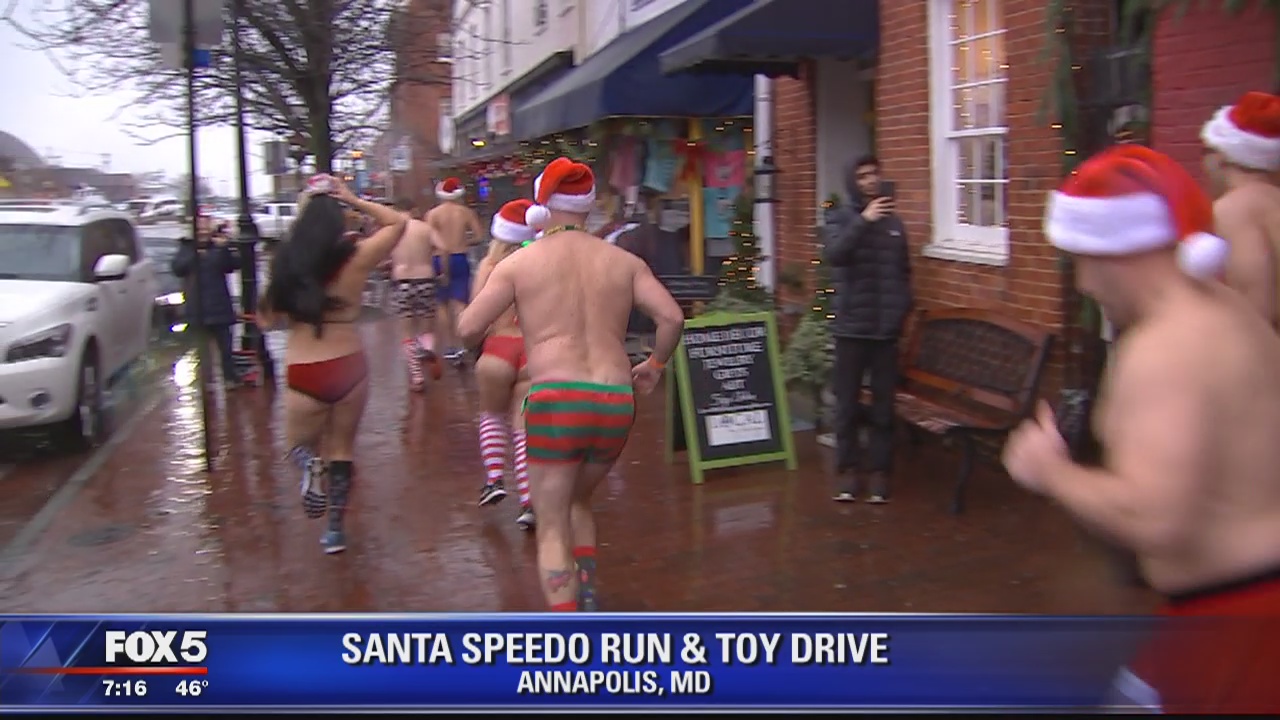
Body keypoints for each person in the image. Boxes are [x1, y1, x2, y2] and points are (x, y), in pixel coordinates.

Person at [1005, 145, 1280, 714]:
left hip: (1243, 626)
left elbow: (1155, 518)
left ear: (1118, 251)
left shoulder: (1163, 349)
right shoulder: (1230, 312)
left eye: (1082, 259)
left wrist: (1049, 471)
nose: (1082, 282)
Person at [457, 157, 685, 612]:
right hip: (615, 399)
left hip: (558, 400)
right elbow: (672, 317)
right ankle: (590, 600)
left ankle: (571, 638)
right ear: (586, 207)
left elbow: (467, 328)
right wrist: (655, 365)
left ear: (544, 207)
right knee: (579, 500)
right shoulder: (623, 261)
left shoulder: (521, 262)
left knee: (552, 521)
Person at [260, 175, 407, 555]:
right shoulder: (356, 257)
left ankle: (310, 466)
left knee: (296, 446)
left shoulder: (285, 262)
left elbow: (266, 317)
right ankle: (335, 531)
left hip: (304, 367)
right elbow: (398, 223)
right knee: (343, 447)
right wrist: (353, 198)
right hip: (348, 366)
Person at [823, 154, 912, 504]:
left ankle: (879, 473)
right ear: (852, 182)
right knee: (845, 406)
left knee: (883, 409)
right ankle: (847, 473)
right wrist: (863, 220)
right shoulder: (839, 218)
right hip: (851, 330)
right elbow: (835, 254)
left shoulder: (895, 224)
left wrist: (900, 309)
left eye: (874, 174)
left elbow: (904, 271)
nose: (871, 180)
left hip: (884, 333)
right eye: (863, 176)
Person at [471, 199, 537, 529]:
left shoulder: (488, 266)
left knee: (492, 415)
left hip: (497, 349)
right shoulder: (541, 264)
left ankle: (495, 478)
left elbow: (474, 317)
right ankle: (529, 502)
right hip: (530, 351)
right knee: (524, 427)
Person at [1200, 90, 1280, 327]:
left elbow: (1257, 307)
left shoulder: (1233, 209)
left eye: (1205, 151)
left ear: (1221, 157)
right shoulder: (1271, 201)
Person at [172, 216, 244, 389]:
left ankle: (229, 378)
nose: (203, 233)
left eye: (206, 228)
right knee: (202, 352)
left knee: (226, 349)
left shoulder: (218, 247)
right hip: (197, 309)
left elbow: (232, 265)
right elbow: (178, 268)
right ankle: (206, 382)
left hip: (219, 306)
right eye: (199, 229)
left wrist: (225, 247)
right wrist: (196, 255)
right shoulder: (186, 247)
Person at [426, 177, 486, 365]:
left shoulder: (432, 214)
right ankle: (464, 344)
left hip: (438, 259)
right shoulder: (466, 212)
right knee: (460, 303)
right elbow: (479, 236)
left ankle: (450, 346)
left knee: (442, 304)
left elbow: (429, 238)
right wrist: (463, 242)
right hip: (460, 257)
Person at [388, 197, 444, 391]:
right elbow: (442, 248)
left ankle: (417, 377)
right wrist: (441, 270)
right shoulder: (425, 228)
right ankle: (428, 348)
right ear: (412, 210)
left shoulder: (391, 230)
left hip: (401, 280)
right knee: (426, 325)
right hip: (425, 278)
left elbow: (382, 255)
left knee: (406, 332)